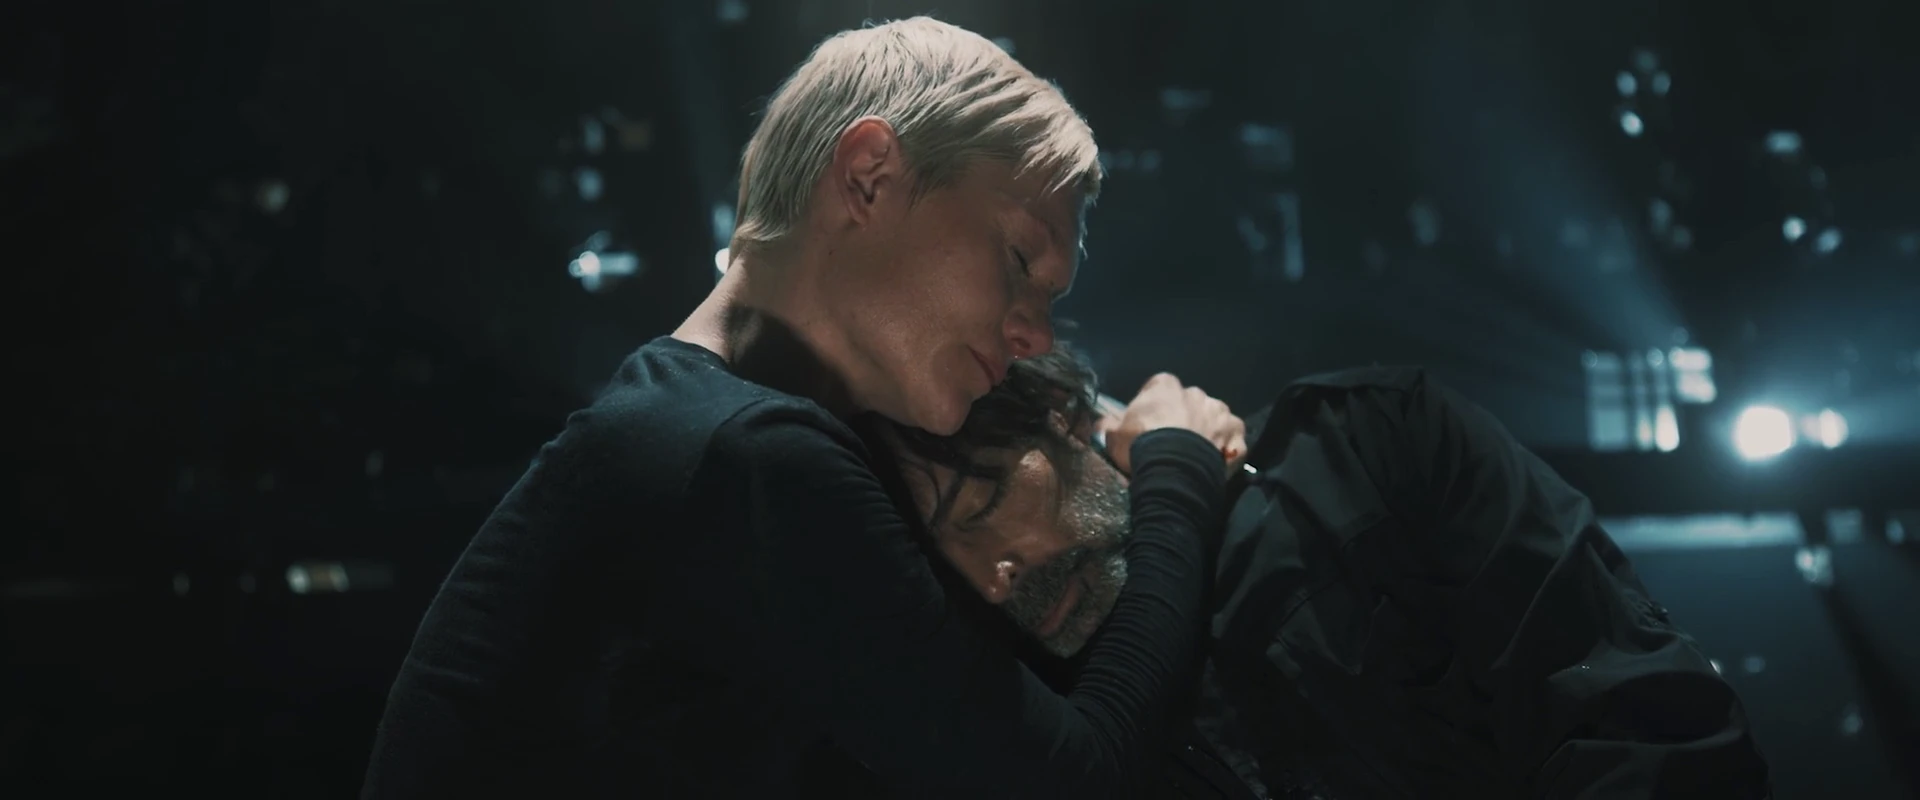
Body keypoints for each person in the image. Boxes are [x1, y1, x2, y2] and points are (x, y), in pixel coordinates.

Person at [361, 17, 1251, 799]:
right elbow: (1074, 783)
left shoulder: (691, 429)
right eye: (1020, 259)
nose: (1037, 336)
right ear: (867, 177)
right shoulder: (743, 457)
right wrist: (1177, 469)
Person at [873, 347, 1773, 799]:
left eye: (982, 508)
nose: (994, 579)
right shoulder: (1021, 706)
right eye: (945, 561)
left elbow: (1640, 720)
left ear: (1067, 421)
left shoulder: (1370, 446)